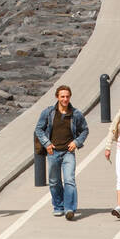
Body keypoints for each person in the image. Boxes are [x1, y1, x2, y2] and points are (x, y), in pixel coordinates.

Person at [34, 84, 88, 220]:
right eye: (62, 96)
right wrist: (47, 144)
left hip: (68, 153)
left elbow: (85, 130)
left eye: (67, 96)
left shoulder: (76, 114)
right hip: (53, 152)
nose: (65, 99)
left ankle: (70, 209)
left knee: (69, 180)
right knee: (54, 181)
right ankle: (58, 206)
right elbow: (39, 129)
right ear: (57, 97)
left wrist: (76, 142)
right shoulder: (48, 112)